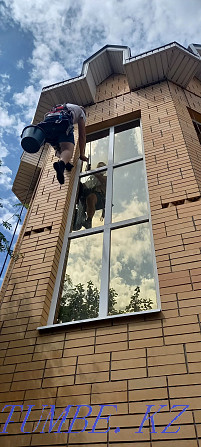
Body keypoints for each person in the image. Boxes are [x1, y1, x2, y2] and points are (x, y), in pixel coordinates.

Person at [38, 103, 88, 185]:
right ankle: (61, 164)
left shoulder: (62, 107)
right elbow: (82, 135)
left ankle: (64, 162)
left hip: (47, 124)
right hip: (62, 122)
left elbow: (57, 147)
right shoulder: (81, 111)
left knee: (58, 149)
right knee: (67, 149)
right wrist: (82, 154)